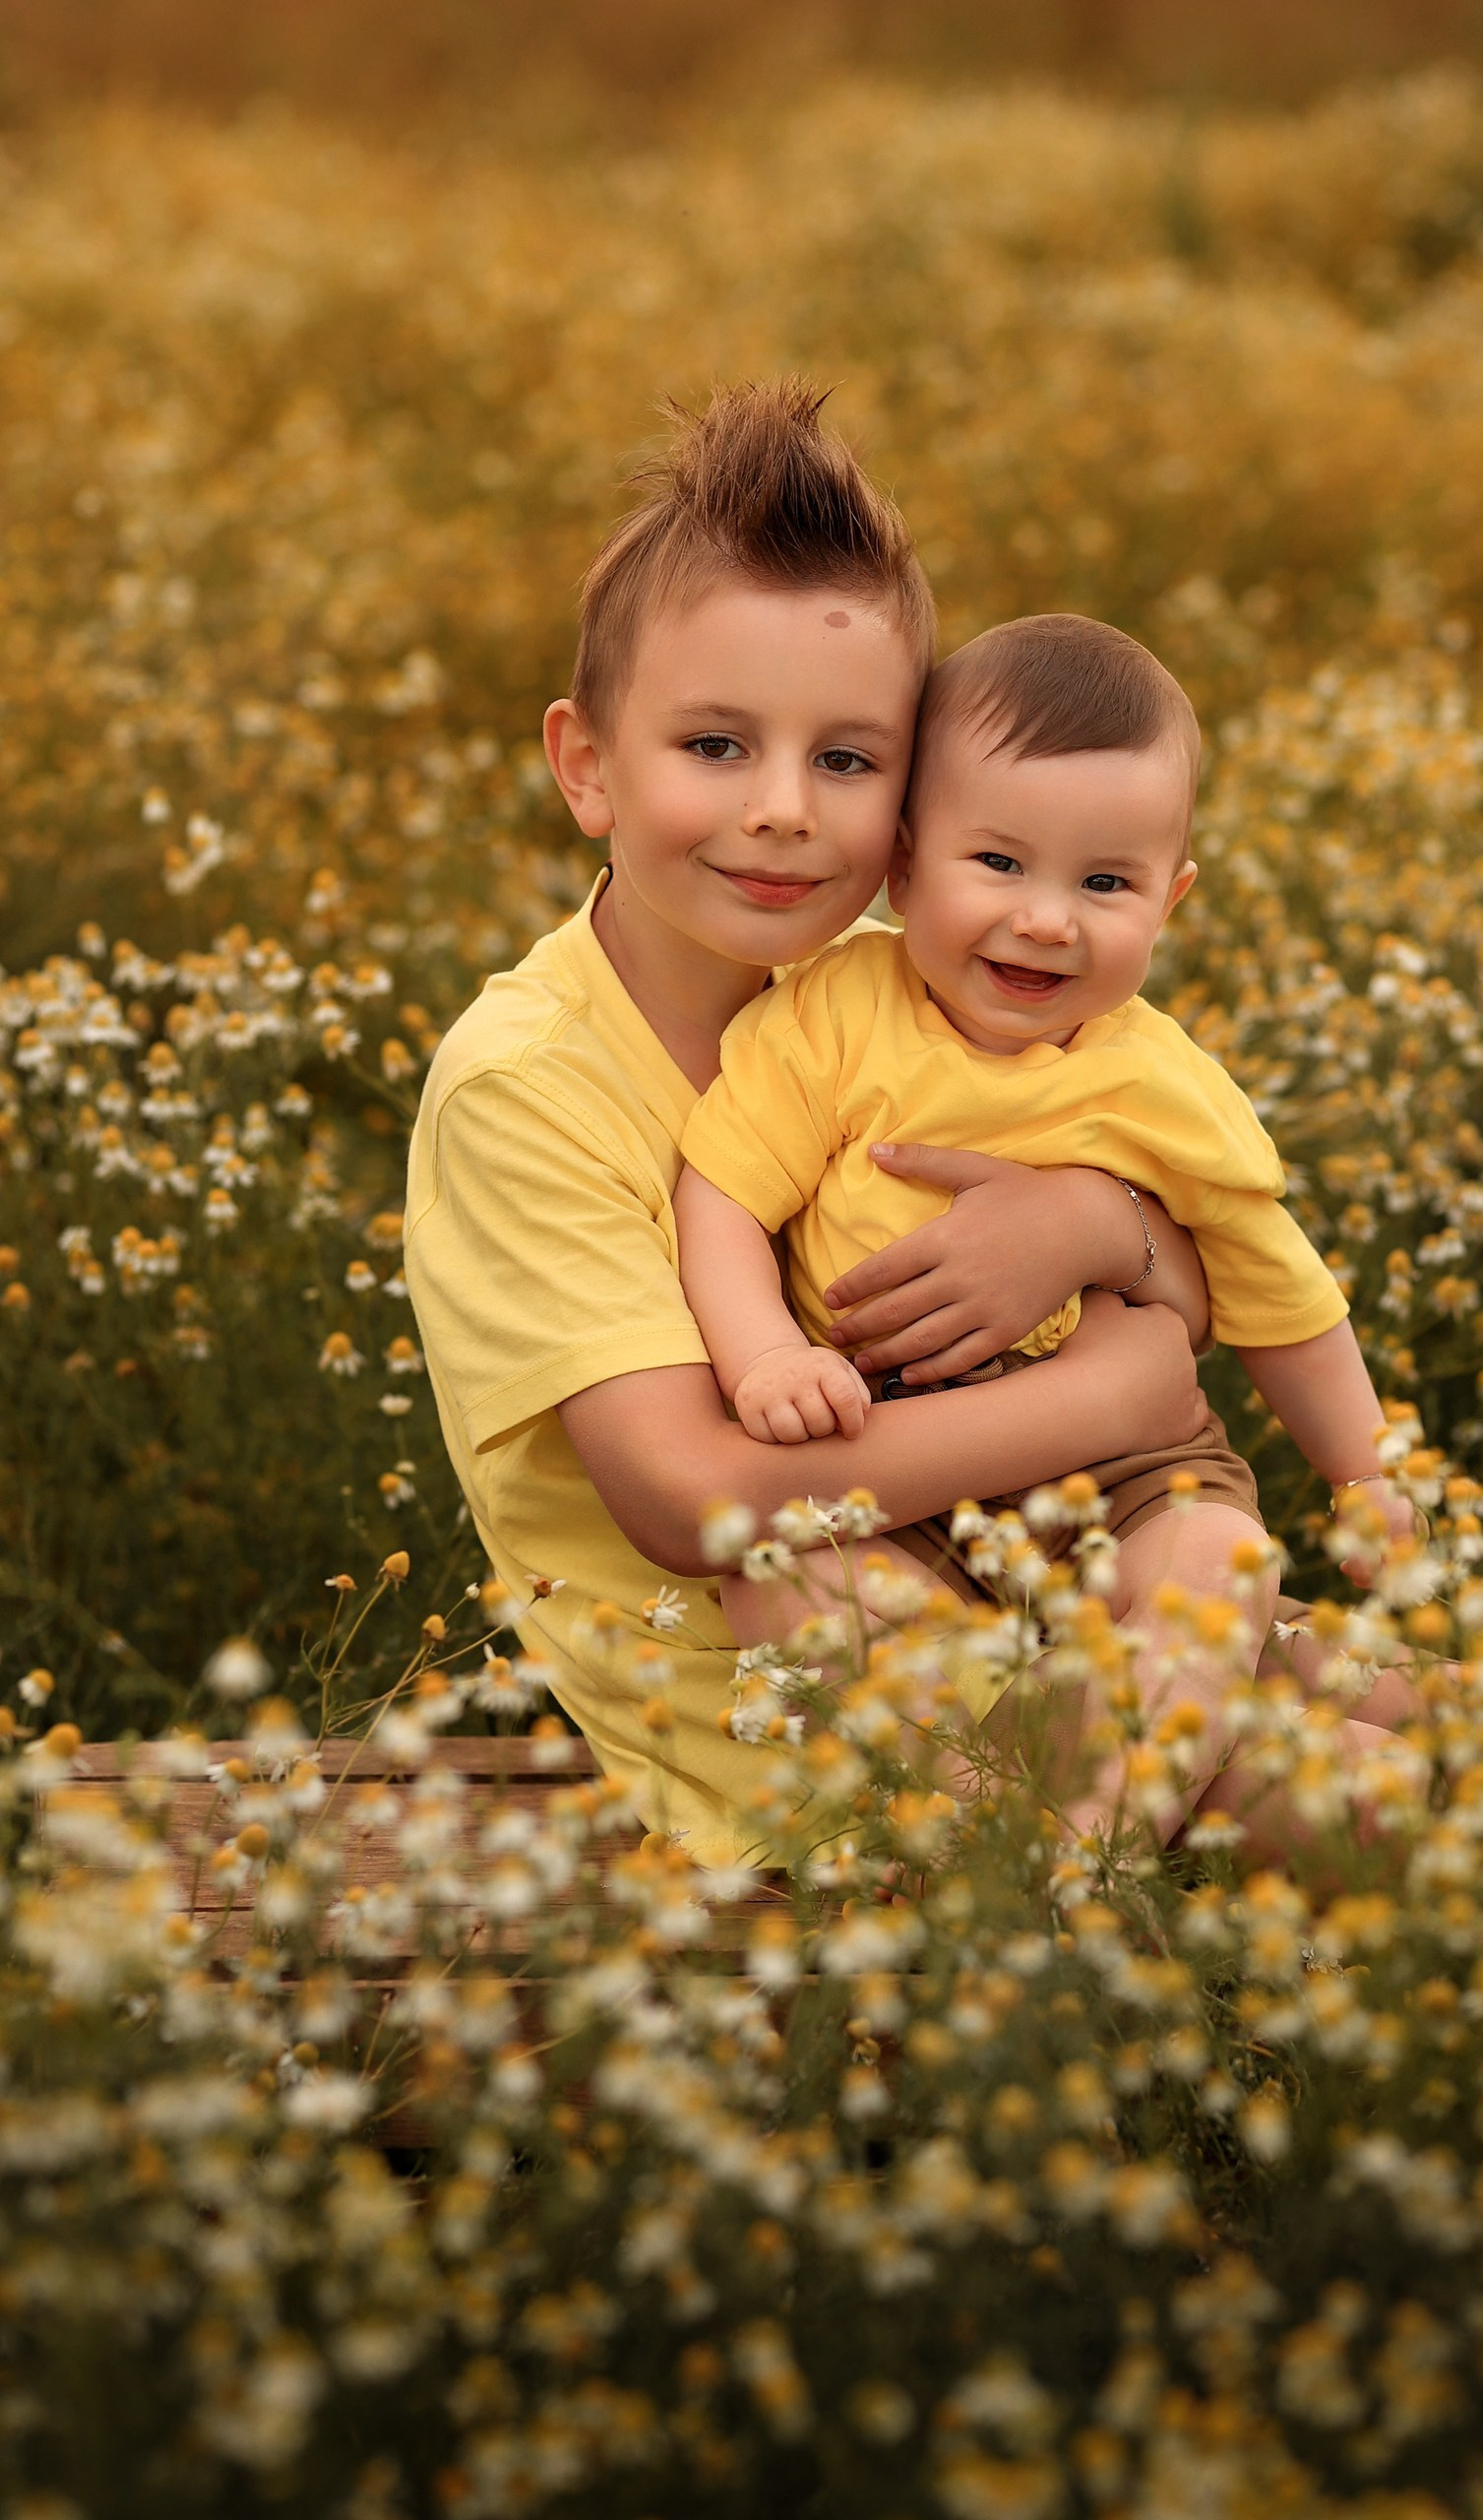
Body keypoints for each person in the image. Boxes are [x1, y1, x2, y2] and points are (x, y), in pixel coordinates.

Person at [403, 385, 1215, 1865]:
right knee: (1363, 1792)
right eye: (716, 746)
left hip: (1032, 1581)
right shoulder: (528, 1085)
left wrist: (1102, 1227)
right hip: (788, 1726)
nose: (783, 809)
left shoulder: (899, 997)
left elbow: (1193, 1278)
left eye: (846, 761)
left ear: (913, 805)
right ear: (587, 765)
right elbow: (698, 1501)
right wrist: (1115, 1397)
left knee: (1415, 1711)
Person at [673, 613, 1418, 1844]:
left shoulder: (1163, 1083)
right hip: (894, 1467)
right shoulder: (835, 1017)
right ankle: (1003, 1807)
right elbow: (722, 1196)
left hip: (1127, 1480)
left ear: (1172, 900)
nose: (1047, 920)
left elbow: (1281, 1292)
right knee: (782, 1585)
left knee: (1218, 1563)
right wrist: (765, 1356)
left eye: (1106, 884)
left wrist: (1366, 1474)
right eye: (999, 863)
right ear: (903, 865)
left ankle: (1101, 1834)